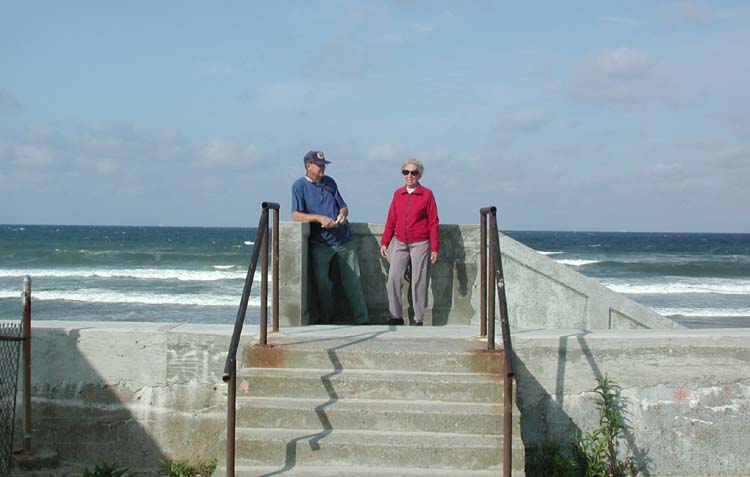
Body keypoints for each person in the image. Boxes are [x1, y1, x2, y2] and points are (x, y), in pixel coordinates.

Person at [291, 150, 369, 325]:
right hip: (321, 243)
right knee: (323, 284)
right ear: (308, 166)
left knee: (353, 281)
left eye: (323, 165)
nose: (322, 168)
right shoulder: (299, 186)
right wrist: (319, 218)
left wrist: (342, 214)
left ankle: (362, 320)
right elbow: (296, 214)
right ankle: (327, 319)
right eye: (319, 165)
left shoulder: (330, 182)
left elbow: (343, 206)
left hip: (343, 239)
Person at [380, 159, 439, 326]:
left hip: (420, 243)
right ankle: (395, 316)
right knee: (393, 278)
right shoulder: (398, 194)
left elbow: (433, 222)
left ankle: (418, 319)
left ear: (419, 174)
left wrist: (434, 247)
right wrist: (385, 241)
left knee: (418, 281)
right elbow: (391, 219)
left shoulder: (427, 194)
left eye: (413, 172)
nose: (410, 175)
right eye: (406, 172)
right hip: (400, 243)